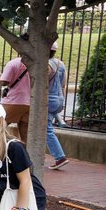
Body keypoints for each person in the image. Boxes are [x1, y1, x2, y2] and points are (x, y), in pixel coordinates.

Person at [46, 41, 69, 169]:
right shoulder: (61, 64)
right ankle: (59, 118)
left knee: (47, 130)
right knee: (48, 125)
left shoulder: (46, 65)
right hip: (59, 99)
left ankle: (60, 158)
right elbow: (63, 84)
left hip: (48, 99)